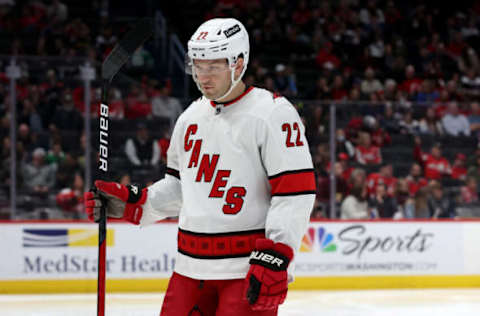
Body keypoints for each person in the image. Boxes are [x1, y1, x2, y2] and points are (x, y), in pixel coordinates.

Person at [84, 18, 315, 316]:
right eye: (198, 65)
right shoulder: (190, 117)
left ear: (239, 63)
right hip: (189, 268)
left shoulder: (272, 113)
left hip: (244, 270)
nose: (203, 76)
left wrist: (276, 254)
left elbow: (295, 193)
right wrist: (136, 203)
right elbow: (182, 188)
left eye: (213, 66)